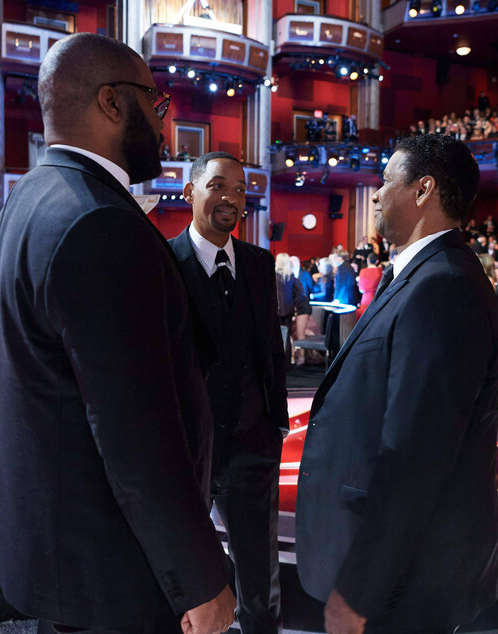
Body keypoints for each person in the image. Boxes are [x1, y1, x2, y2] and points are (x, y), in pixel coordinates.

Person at [0, 33, 235, 633]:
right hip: (110, 567)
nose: (165, 119)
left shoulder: (29, 199)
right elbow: (135, 432)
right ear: (113, 103)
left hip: (59, 553)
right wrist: (196, 576)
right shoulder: (99, 222)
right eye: (157, 101)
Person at [296, 134, 498, 633]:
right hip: (403, 571)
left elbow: (417, 452)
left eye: (386, 181)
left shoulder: (443, 285)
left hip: (408, 580)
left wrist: (361, 588)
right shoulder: (420, 276)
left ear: (423, 189)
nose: (376, 194)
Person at [169, 151, 288, 634]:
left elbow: (269, 352)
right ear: (190, 192)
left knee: (260, 574)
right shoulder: (164, 262)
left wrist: (274, 422)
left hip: (253, 446)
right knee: (185, 574)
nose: (231, 199)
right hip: (187, 450)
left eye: (240, 190)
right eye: (218, 185)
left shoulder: (260, 264)